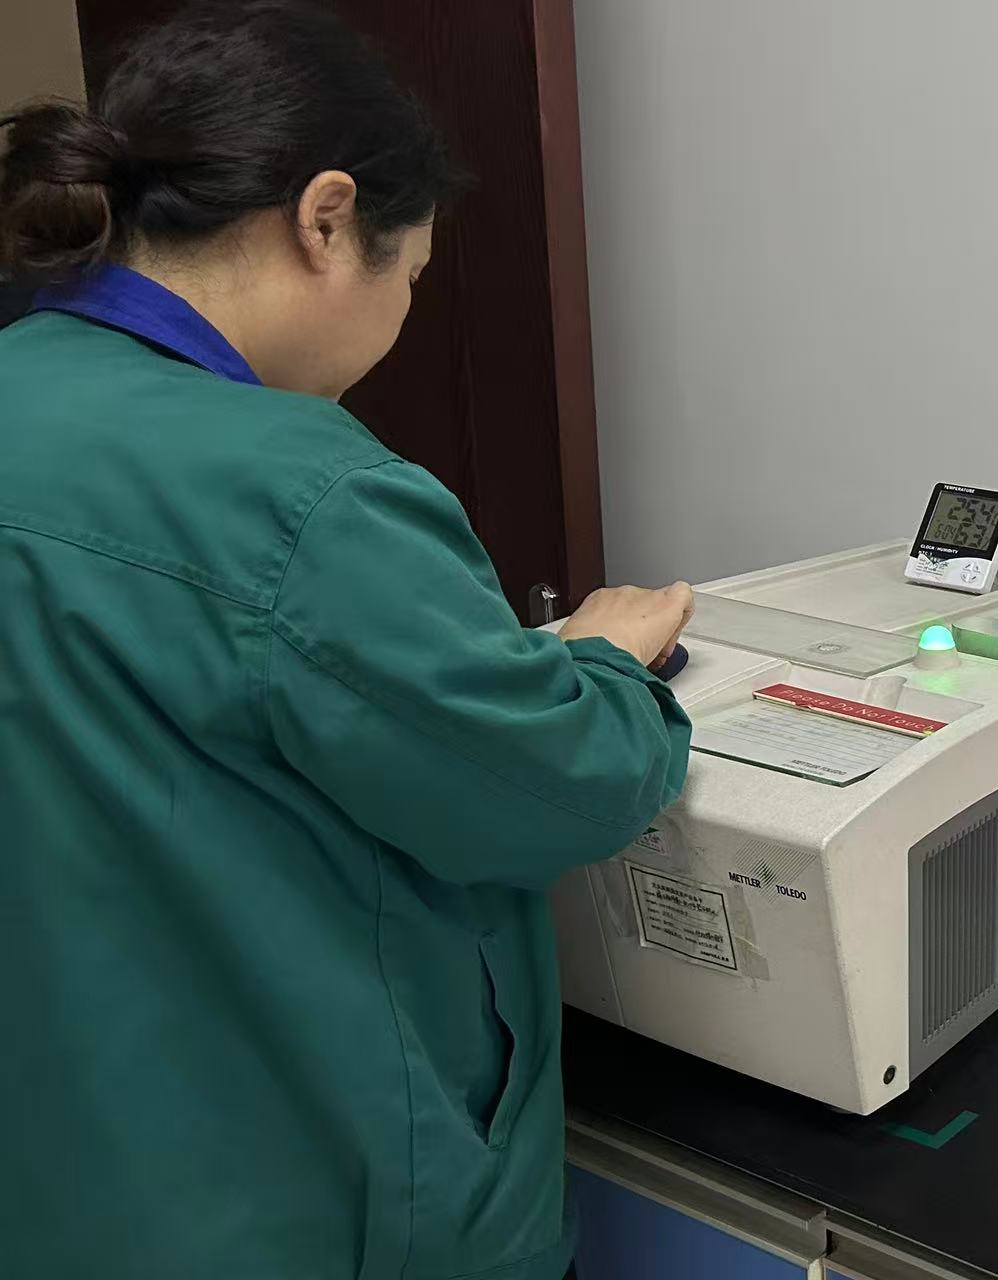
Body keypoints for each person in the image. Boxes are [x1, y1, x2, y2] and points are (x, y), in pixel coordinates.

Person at [0, 5, 693, 1277]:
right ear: (326, 219)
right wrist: (603, 660)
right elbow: (561, 786)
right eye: (409, 276)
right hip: (304, 1210)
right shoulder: (301, 492)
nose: (399, 321)